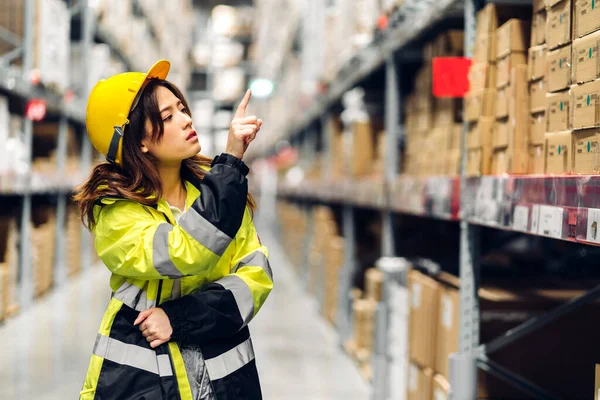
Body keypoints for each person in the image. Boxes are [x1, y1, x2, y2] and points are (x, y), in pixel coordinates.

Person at [73, 59, 273, 400]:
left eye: (182, 109)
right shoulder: (117, 214)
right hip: (144, 386)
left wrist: (178, 319)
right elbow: (187, 251)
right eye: (168, 117)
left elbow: (257, 275)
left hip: (226, 384)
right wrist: (231, 162)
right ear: (139, 143)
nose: (187, 119)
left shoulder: (215, 194)